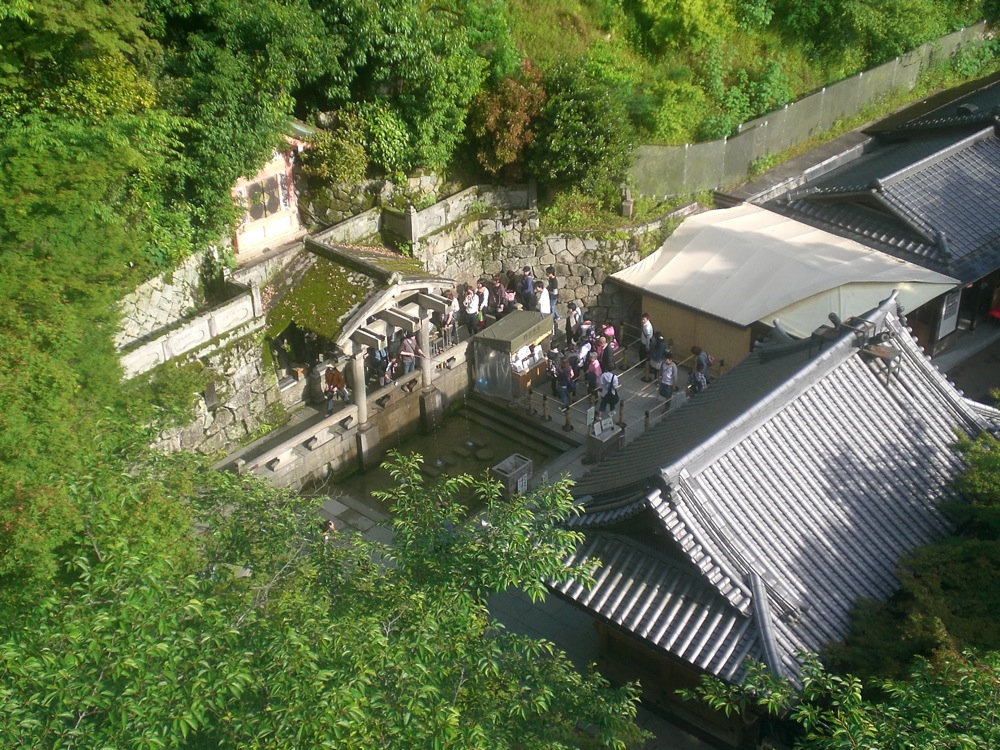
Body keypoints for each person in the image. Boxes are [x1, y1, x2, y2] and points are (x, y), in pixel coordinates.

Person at [639, 313, 653, 379]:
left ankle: (645, 366)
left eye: (644, 319)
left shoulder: (647, 327)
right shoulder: (645, 325)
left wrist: (647, 346)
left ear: (647, 319)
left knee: (644, 354)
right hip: (643, 341)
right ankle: (643, 364)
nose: (642, 320)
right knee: (642, 353)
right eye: (642, 319)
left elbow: (648, 337)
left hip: (645, 343)